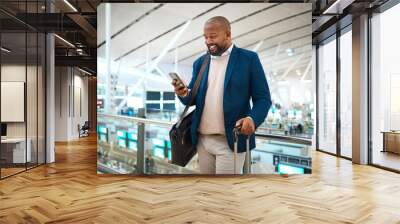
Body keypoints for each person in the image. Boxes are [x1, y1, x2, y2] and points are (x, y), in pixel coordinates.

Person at [172, 16, 271, 174]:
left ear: (228, 34)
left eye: (213, 36)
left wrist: (252, 119)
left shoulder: (248, 59)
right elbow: (193, 99)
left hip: (231, 141)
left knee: (224, 194)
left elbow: (263, 99)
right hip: (202, 141)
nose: (208, 41)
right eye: (205, 37)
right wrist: (184, 93)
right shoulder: (200, 63)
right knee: (208, 192)